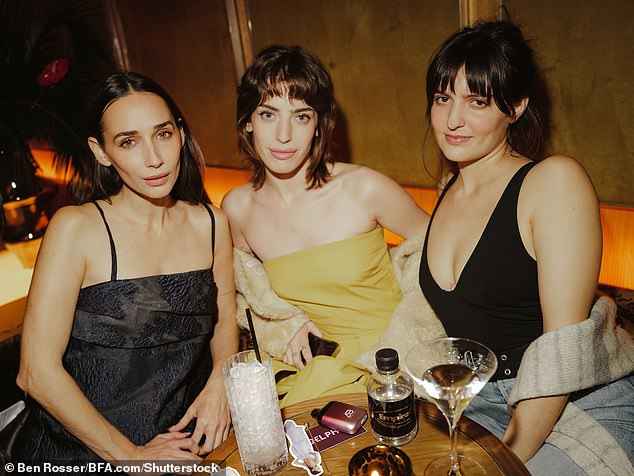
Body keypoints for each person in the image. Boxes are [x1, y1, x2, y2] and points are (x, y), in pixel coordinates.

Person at [418, 20, 634, 474]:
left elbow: (563, 354)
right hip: (481, 401)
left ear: (516, 107)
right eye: (443, 98)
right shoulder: (446, 189)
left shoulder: (552, 182)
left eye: (477, 102)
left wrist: (504, 459)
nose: (452, 120)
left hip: (575, 404)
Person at [14, 72, 238, 469]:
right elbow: (35, 373)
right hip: (82, 449)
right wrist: (132, 457)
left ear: (181, 135)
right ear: (101, 153)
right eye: (128, 141)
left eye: (163, 134)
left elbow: (225, 319)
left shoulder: (212, 223)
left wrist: (222, 379)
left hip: (179, 442)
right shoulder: (77, 228)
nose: (153, 158)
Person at [222, 45, 438, 408]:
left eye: (301, 116)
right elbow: (246, 298)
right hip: (309, 370)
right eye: (268, 114)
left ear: (320, 124)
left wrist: (411, 339)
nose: (284, 135)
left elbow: (444, 256)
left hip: (393, 363)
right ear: (247, 121)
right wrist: (285, 328)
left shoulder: (365, 188)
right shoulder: (237, 209)